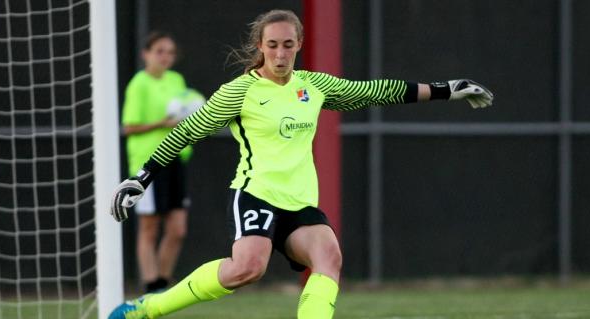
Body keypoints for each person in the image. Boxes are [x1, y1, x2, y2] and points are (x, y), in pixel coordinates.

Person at [109, 9, 493, 319]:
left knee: (330, 257)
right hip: (255, 193)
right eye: (272, 45)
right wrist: (140, 179)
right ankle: (149, 308)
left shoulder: (313, 86)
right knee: (248, 268)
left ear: (299, 45)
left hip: (299, 201)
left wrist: (446, 89)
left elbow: (374, 92)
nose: (279, 54)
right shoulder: (240, 91)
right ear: (260, 46)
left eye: (287, 45)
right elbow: (186, 132)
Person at [122, 31, 204, 294]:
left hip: (176, 158)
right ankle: (151, 286)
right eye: (159, 51)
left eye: (170, 52)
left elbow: (185, 111)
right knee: (149, 227)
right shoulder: (139, 84)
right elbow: (129, 127)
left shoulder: (176, 80)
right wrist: (162, 123)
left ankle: (162, 286)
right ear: (146, 54)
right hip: (149, 163)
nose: (165, 57)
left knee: (178, 229)